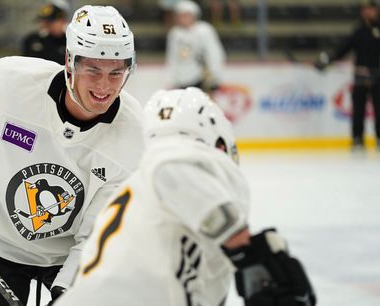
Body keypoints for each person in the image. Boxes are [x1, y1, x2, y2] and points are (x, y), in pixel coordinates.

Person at [0, 5, 143, 306]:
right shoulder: (16, 87)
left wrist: (71, 292)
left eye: (116, 72)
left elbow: (97, 235)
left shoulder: (133, 138)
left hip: (64, 257)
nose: (104, 86)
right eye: (92, 69)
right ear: (70, 62)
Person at [54, 87, 316, 306]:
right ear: (219, 143)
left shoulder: (144, 195)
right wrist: (246, 253)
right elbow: (172, 167)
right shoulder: (177, 161)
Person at [315, 0, 380, 151]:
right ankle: (357, 138)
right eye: (365, 9)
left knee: (379, 108)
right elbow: (343, 49)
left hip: (378, 77)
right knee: (358, 109)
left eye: (370, 9)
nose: (368, 12)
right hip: (360, 77)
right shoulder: (358, 31)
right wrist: (328, 60)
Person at [166, 0, 226, 94]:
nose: (183, 18)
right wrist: (172, 78)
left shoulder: (204, 30)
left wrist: (214, 73)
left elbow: (214, 53)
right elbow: (172, 57)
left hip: (203, 77)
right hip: (183, 78)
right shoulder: (175, 33)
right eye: (180, 15)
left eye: (186, 15)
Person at [22, 0, 69, 65]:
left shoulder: (69, 42)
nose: (45, 26)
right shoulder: (32, 40)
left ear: (62, 21)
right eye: (43, 23)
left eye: (50, 23)